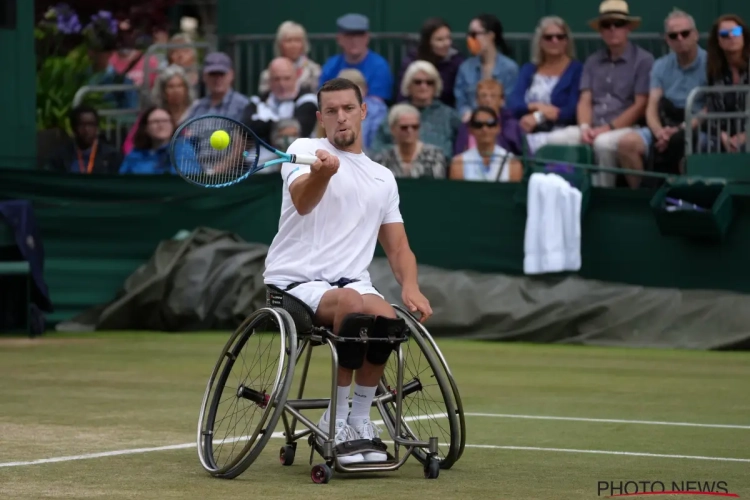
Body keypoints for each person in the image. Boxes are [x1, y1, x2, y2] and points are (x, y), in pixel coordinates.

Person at [263, 78, 433, 465]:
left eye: (348, 109)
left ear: (363, 111)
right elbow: (303, 202)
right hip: (294, 284)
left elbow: (399, 246)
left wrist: (411, 285)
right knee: (355, 304)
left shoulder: (382, 177)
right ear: (321, 118)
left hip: (351, 284)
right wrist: (323, 173)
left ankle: (358, 420)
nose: (341, 118)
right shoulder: (304, 150)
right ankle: (334, 420)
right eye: (332, 112)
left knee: (388, 319)